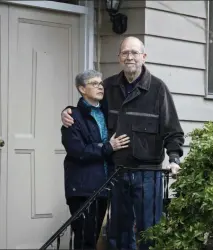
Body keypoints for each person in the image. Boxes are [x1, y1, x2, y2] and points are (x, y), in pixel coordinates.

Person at [61, 37, 185, 250]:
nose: (130, 57)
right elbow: (88, 107)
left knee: (150, 231)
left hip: (148, 174)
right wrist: (67, 112)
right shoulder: (108, 87)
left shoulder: (158, 89)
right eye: (125, 53)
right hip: (116, 173)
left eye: (135, 53)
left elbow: (173, 130)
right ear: (119, 58)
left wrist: (174, 158)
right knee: (118, 233)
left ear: (143, 57)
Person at [61, 69, 130, 250]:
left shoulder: (105, 112)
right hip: (82, 189)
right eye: (94, 83)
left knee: (93, 237)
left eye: (101, 84)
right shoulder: (72, 118)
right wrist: (109, 146)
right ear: (82, 89)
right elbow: (79, 151)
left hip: (103, 186)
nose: (100, 87)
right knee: (85, 240)